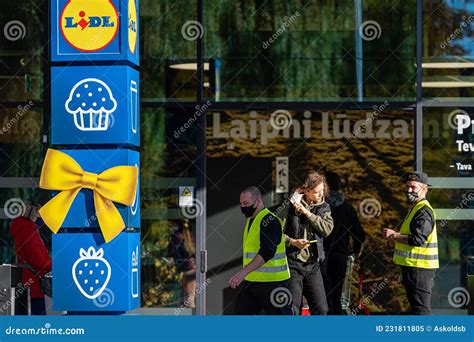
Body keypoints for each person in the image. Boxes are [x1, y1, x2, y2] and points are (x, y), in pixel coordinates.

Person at [229, 186, 292, 315]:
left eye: (246, 203)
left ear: (258, 201)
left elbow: (267, 252)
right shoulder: (251, 220)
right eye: (241, 203)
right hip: (253, 282)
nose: (243, 207)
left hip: (274, 284)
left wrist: (242, 273)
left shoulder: (269, 220)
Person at [383, 171, 438, 315]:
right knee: (417, 310)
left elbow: (417, 240)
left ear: (424, 188)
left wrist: (394, 236)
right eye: (407, 187)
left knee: (421, 311)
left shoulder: (424, 211)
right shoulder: (416, 208)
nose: (409, 190)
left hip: (420, 270)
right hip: (414, 268)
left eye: (413, 187)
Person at [284, 171, 334, 315]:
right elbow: (276, 234)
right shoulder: (289, 206)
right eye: (317, 192)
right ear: (307, 191)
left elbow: (327, 229)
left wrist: (308, 213)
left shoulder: (324, 207)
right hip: (293, 265)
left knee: (322, 309)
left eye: (322, 191)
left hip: (313, 265)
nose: (321, 195)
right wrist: (293, 242)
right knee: (293, 310)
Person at [323, 171, 366, 315]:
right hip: (340, 256)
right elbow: (359, 234)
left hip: (321, 257)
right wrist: (355, 250)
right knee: (337, 294)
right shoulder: (347, 208)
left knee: (322, 295)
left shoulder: (319, 207)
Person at [9, 202, 52, 315]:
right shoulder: (28, 231)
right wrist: (56, 264)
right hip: (35, 282)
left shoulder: (23, 229)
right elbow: (38, 260)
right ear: (32, 213)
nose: (41, 216)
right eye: (39, 213)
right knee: (38, 316)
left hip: (28, 280)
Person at [167, 219, 196, 308]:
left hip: (185, 268)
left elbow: (171, 251)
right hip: (192, 268)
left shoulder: (176, 236)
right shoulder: (189, 234)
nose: (170, 226)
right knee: (187, 297)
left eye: (171, 224)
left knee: (188, 299)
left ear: (175, 224)